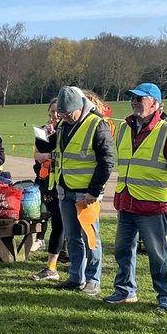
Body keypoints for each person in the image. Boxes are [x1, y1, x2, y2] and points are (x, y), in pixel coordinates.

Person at [106, 83, 167, 313]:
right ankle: (125, 290)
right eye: (132, 98)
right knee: (122, 249)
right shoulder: (124, 128)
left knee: (157, 253)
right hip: (126, 200)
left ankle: (164, 296)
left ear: (154, 103)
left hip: (151, 204)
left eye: (139, 99)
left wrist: (163, 187)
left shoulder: (166, 131)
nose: (134, 102)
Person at [52, 86, 116, 294]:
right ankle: (75, 277)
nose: (66, 118)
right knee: (72, 237)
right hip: (65, 190)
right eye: (63, 114)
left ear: (80, 107)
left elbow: (106, 162)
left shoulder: (98, 125)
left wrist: (94, 191)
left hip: (87, 194)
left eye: (69, 114)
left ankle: (93, 279)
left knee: (90, 238)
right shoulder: (64, 124)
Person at [32, 100, 67, 280]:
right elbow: (38, 154)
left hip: (66, 182)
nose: (54, 116)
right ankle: (52, 265)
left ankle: (67, 259)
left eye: (58, 112)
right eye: (52, 112)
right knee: (54, 221)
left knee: (64, 225)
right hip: (48, 181)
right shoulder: (42, 130)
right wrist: (45, 153)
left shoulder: (67, 129)